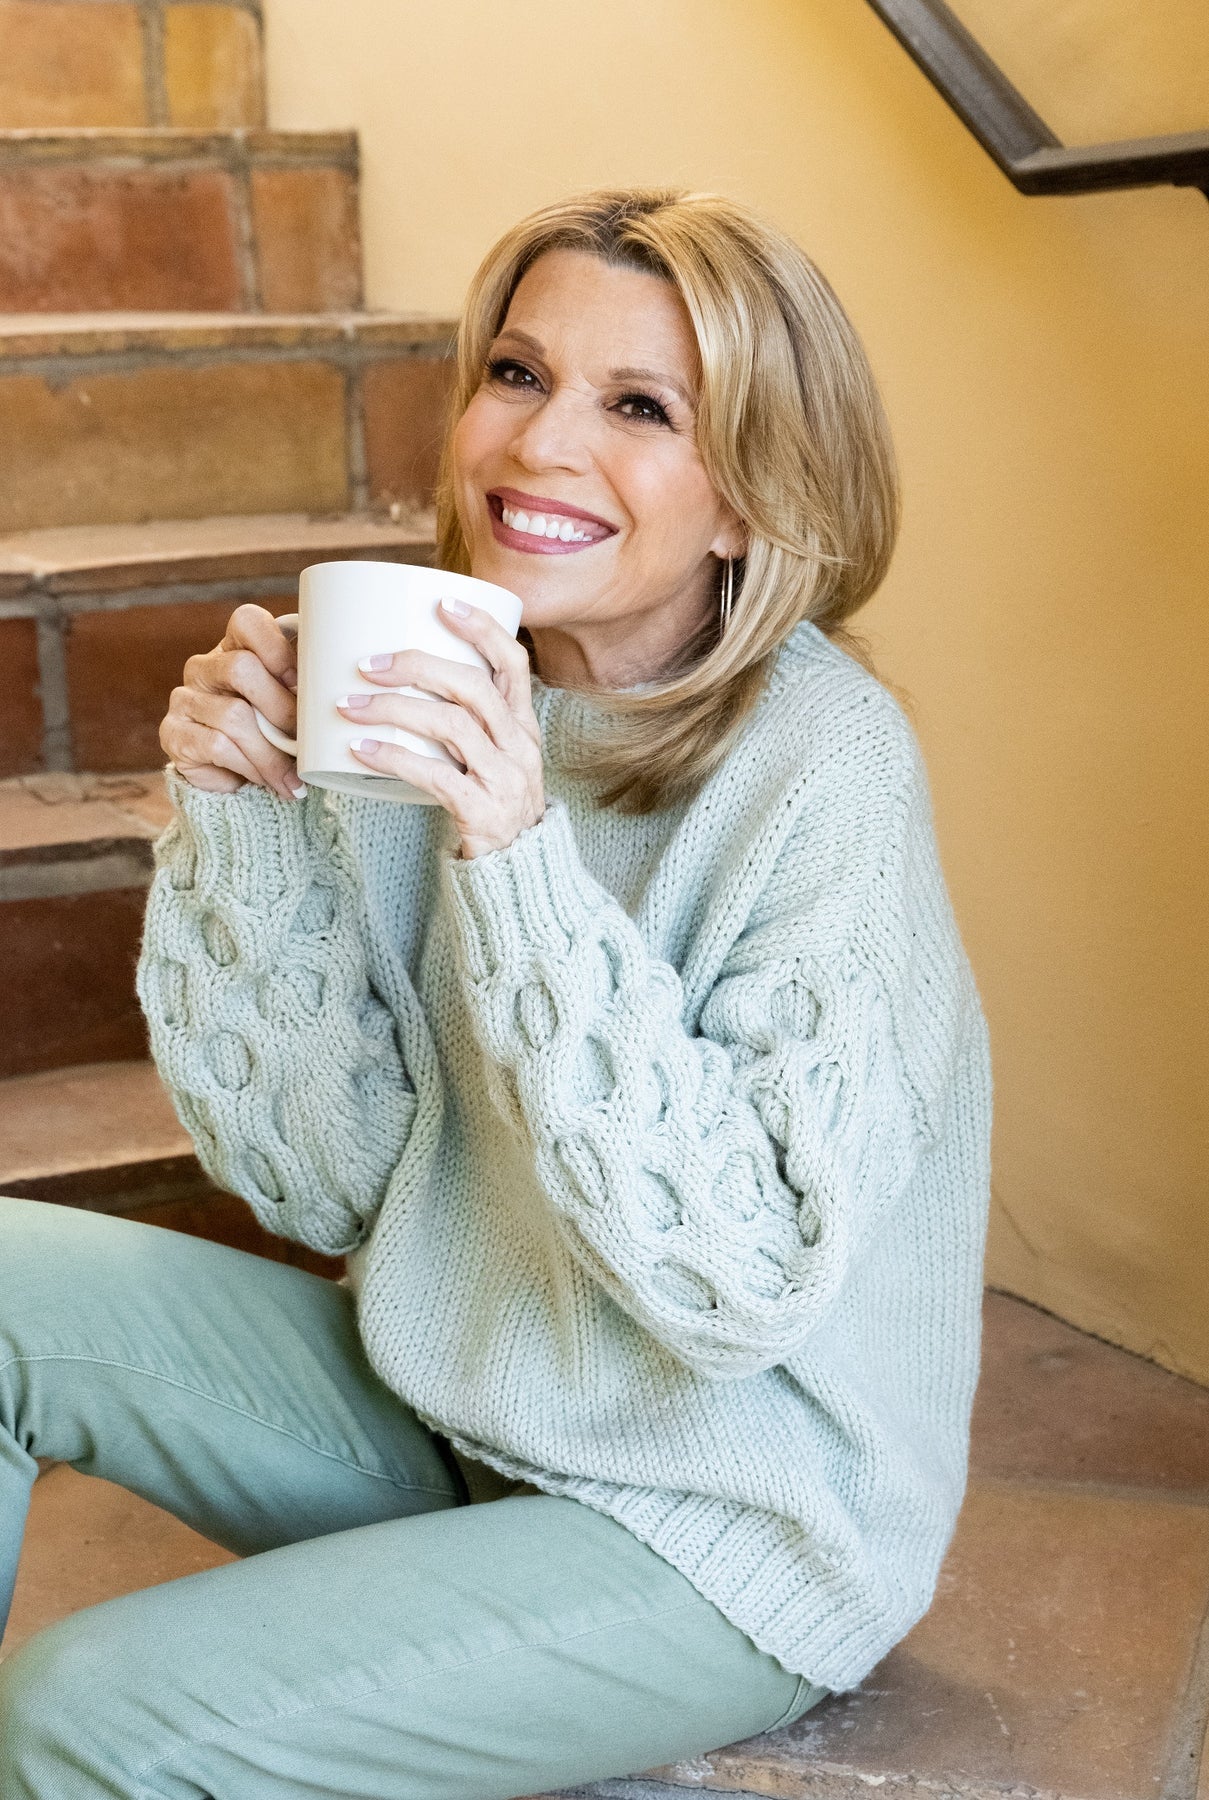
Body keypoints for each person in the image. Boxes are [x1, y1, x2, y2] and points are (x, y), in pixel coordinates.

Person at [0, 186, 992, 1799]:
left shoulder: (826, 769)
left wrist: (517, 858)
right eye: (517, 374)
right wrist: (248, 830)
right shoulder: (418, 697)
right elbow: (328, 1188)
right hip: (458, 1412)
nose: (539, 445)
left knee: (81, 1710)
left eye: (640, 408)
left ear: (747, 497)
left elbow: (734, 1284)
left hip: (721, 1519)